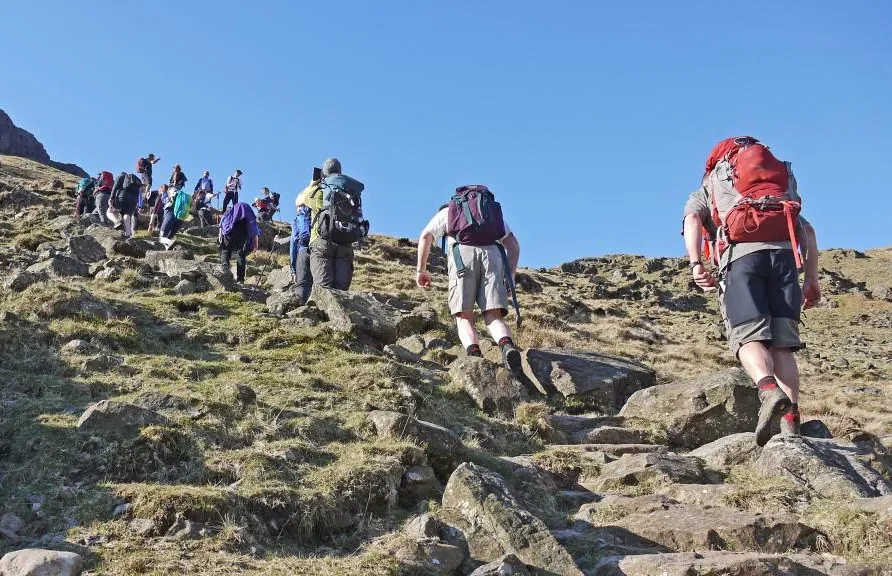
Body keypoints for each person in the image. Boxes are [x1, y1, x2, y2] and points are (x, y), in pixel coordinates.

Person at [682, 136, 821, 447]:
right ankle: (791, 419)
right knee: (782, 345)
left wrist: (696, 264)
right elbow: (807, 231)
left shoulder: (712, 184)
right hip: (785, 260)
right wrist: (811, 279)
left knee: (748, 336)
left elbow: (693, 219)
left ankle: (768, 390)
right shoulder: (778, 184)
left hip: (741, 260)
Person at [415, 185, 523, 373]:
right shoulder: (489, 215)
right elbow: (513, 244)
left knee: (464, 315)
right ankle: (507, 347)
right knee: (493, 315)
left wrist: (421, 270)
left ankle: (475, 357)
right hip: (492, 256)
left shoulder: (448, 211)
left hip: (461, 259)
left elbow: (426, 237)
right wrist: (511, 276)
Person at [295, 157, 368, 291]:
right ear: (340, 171)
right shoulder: (351, 191)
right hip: (346, 242)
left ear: (324, 173)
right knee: (341, 291)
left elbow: (299, 201)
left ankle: (324, 311)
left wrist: (312, 184)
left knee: (324, 289)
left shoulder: (320, 189)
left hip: (321, 241)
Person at [274, 204, 313, 304]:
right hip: (319, 253)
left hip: (303, 252)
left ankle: (302, 308)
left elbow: (293, 249)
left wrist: (294, 271)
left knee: (303, 284)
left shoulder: (297, 220)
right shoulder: (315, 218)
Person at [218, 201, 260, 284]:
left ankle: (225, 266)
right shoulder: (249, 219)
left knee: (226, 251)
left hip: (229, 232)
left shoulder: (230, 214)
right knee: (240, 255)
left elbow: (222, 223)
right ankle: (240, 279)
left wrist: (220, 236)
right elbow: (255, 230)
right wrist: (255, 244)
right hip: (243, 234)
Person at [112, 172, 143, 238]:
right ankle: (128, 235)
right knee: (127, 216)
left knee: (109, 211)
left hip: (123, 197)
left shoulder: (120, 177)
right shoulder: (134, 182)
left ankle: (117, 222)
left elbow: (114, 187)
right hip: (133, 200)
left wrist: (111, 198)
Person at [159, 184, 189, 250]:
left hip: (172, 211)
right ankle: (164, 244)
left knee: (165, 229)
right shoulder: (173, 193)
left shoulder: (169, 191)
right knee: (170, 231)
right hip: (178, 213)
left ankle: (164, 244)